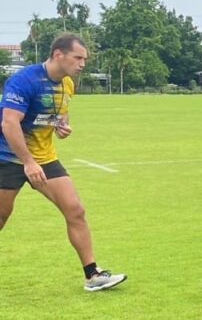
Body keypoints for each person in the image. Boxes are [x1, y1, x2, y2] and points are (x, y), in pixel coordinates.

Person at [0, 33, 126, 292]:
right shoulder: (24, 81)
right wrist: (27, 162)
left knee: (75, 210)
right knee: (1, 215)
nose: (82, 64)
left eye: (85, 59)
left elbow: (57, 116)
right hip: (8, 157)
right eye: (78, 57)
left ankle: (93, 275)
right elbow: (9, 123)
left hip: (45, 158)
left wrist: (61, 127)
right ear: (59, 54)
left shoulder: (67, 84)